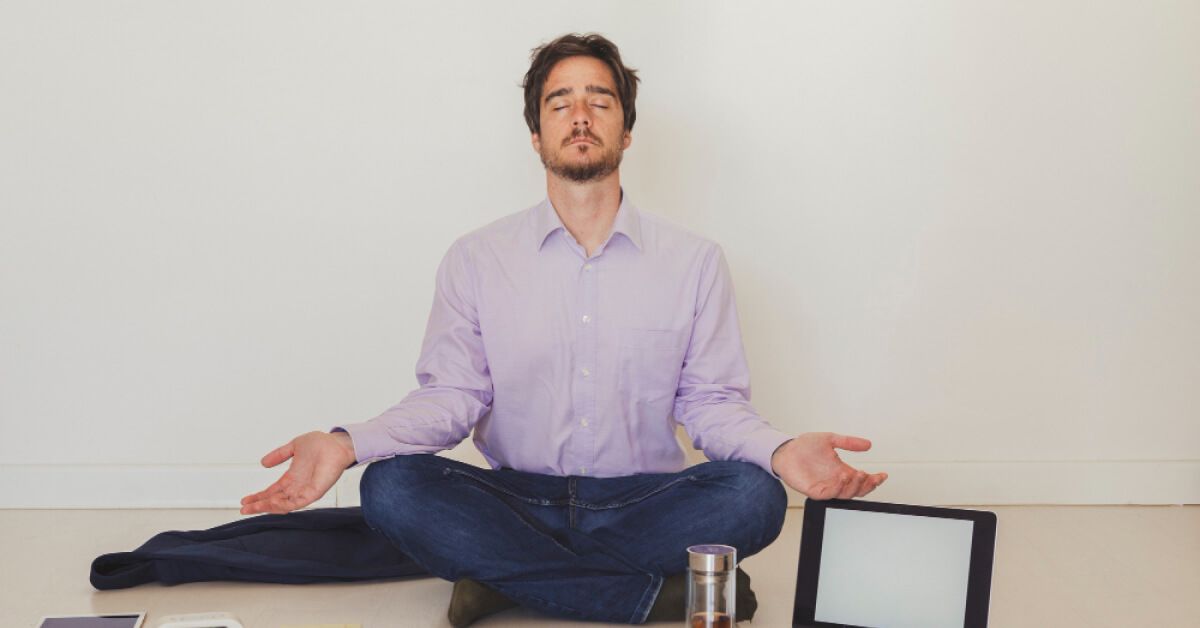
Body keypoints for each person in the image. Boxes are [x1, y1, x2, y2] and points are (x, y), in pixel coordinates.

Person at [240, 32, 888, 626]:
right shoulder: (476, 258)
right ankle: (637, 591)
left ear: (626, 131)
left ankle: (500, 578)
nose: (581, 116)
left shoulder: (695, 262)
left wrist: (779, 451)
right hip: (517, 497)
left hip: (643, 501)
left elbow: (710, 405)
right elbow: (452, 398)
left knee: (753, 496)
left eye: (600, 101)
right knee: (391, 484)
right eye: (560, 102)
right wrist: (347, 442)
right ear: (536, 134)